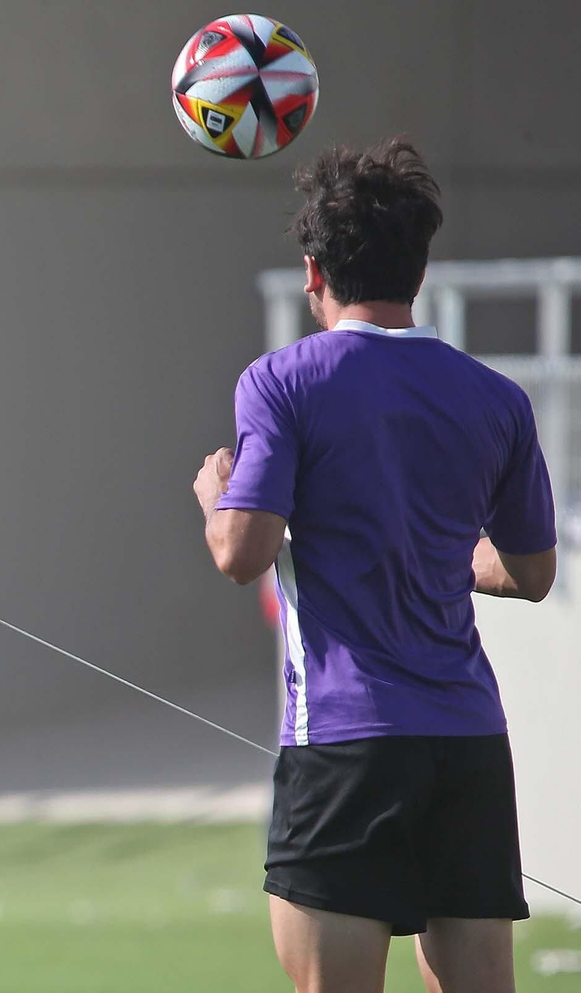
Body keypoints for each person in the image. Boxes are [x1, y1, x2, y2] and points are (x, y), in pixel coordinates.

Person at [193, 138, 557, 993]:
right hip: (467, 739)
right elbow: (533, 570)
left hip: (344, 741)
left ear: (313, 271)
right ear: (419, 273)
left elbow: (240, 554)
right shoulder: (496, 397)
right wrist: (443, 558)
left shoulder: (281, 381)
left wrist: (215, 492)